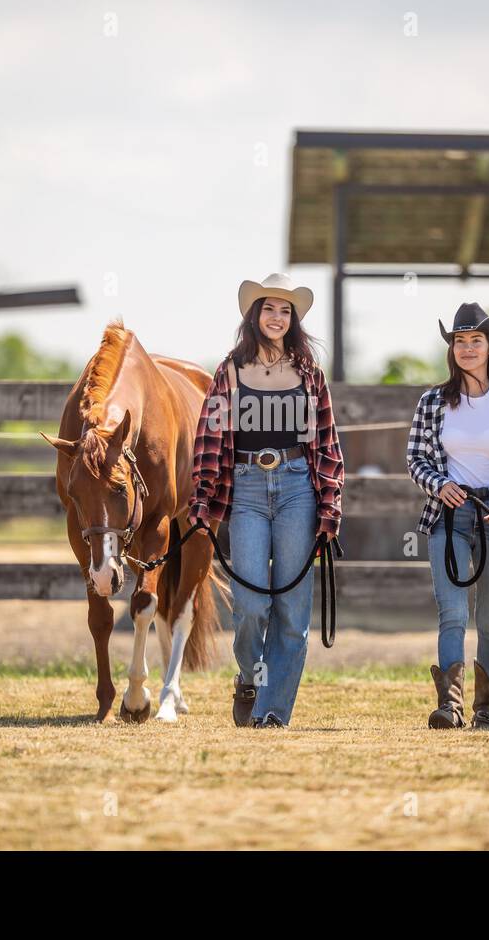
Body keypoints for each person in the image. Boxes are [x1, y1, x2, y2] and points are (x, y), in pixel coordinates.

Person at [189, 273, 345, 728]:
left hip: (299, 486)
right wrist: (203, 500)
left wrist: (330, 505)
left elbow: (328, 444)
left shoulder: (310, 374)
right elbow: (210, 437)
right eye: (268, 309)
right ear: (254, 316)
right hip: (248, 488)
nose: (276, 317)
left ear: (292, 319)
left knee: (292, 611)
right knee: (251, 604)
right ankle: (248, 677)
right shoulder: (230, 371)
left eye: (284, 310)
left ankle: (272, 711)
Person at [406, 302, 489, 729]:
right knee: (453, 613)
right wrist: (437, 483)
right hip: (448, 515)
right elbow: (416, 458)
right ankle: (450, 706)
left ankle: (487, 706)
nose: (466, 348)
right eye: (460, 341)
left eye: (475, 341)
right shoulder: (433, 402)